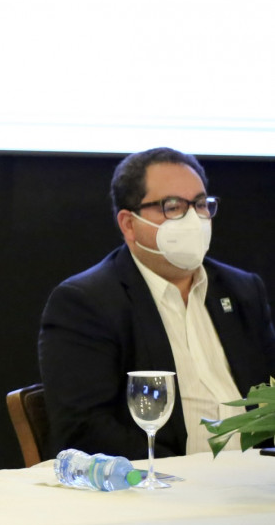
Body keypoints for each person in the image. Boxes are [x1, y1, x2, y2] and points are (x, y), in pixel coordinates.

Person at [39, 147, 275, 459]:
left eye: (200, 205)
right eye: (172, 207)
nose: (193, 219)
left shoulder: (243, 290)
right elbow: (83, 429)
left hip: (257, 475)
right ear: (129, 224)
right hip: (163, 478)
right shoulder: (86, 302)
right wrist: (175, 475)